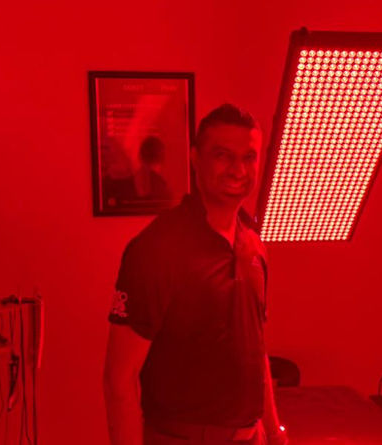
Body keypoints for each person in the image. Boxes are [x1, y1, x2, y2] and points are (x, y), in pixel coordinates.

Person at [103, 104, 288, 445]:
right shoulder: (158, 250)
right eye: (223, 155)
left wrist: (273, 431)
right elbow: (119, 379)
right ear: (195, 158)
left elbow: (257, 348)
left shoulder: (253, 245)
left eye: (249, 157)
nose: (238, 169)